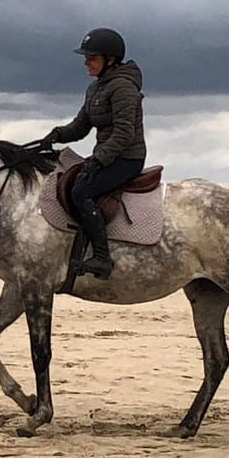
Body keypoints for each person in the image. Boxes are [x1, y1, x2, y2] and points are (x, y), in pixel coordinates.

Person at [41, 28, 146, 280]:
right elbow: (80, 126)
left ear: (110, 59)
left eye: (92, 57)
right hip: (107, 155)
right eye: (86, 57)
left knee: (81, 191)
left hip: (127, 157)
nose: (86, 62)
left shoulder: (123, 87)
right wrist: (56, 134)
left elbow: (124, 134)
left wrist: (99, 160)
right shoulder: (95, 88)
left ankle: (102, 257)